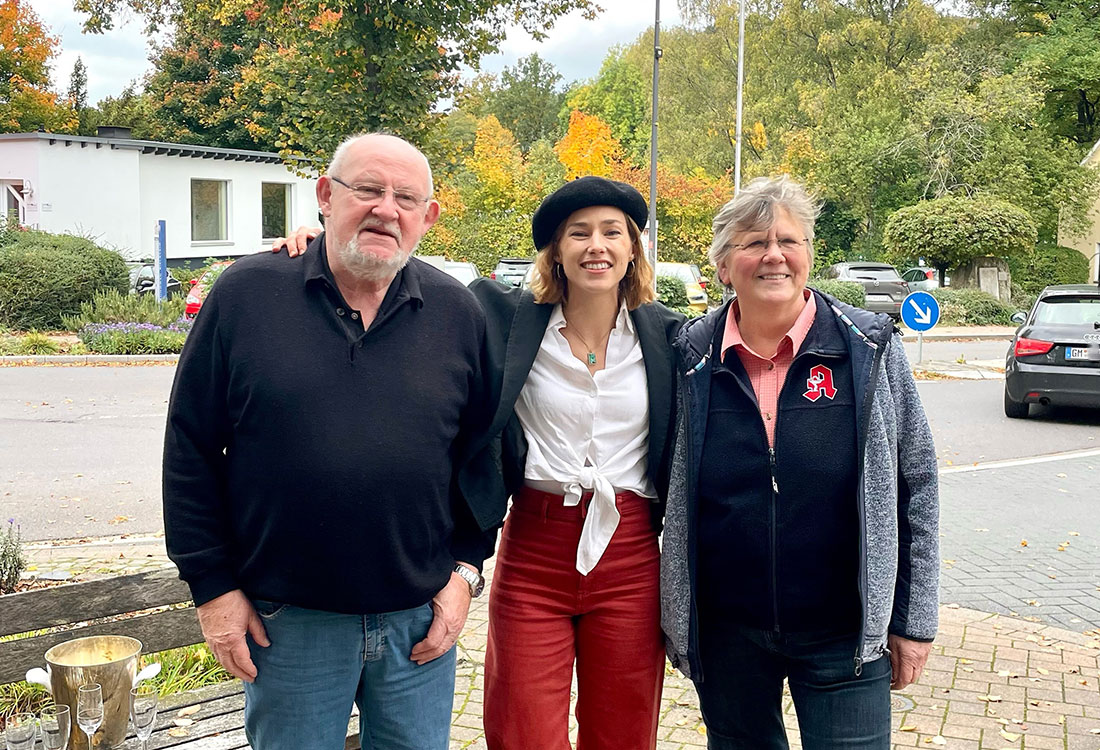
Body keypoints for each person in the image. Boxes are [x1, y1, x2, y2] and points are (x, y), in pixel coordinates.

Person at [274, 176, 684, 749]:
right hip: (536, 551)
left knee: (624, 732)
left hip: (631, 555)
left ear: (634, 248)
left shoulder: (669, 336)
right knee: (521, 730)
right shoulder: (502, 319)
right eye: (579, 233)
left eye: (613, 232)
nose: (597, 245)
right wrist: (326, 247)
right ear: (556, 251)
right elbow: (404, 281)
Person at [163, 132, 499, 750]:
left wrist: (465, 572)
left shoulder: (458, 313)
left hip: (417, 623)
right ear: (325, 195)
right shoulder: (246, 295)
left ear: (428, 216)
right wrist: (211, 587)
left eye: (406, 198)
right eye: (368, 189)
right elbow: (191, 446)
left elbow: (482, 458)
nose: (386, 209)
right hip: (287, 623)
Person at [660, 175, 940, 750]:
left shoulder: (868, 348)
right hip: (727, 633)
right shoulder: (688, 357)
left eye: (788, 241)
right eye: (754, 243)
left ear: (809, 254)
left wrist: (913, 620)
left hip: (843, 634)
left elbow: (916, 484)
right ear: (722, 265)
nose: (774, 255)